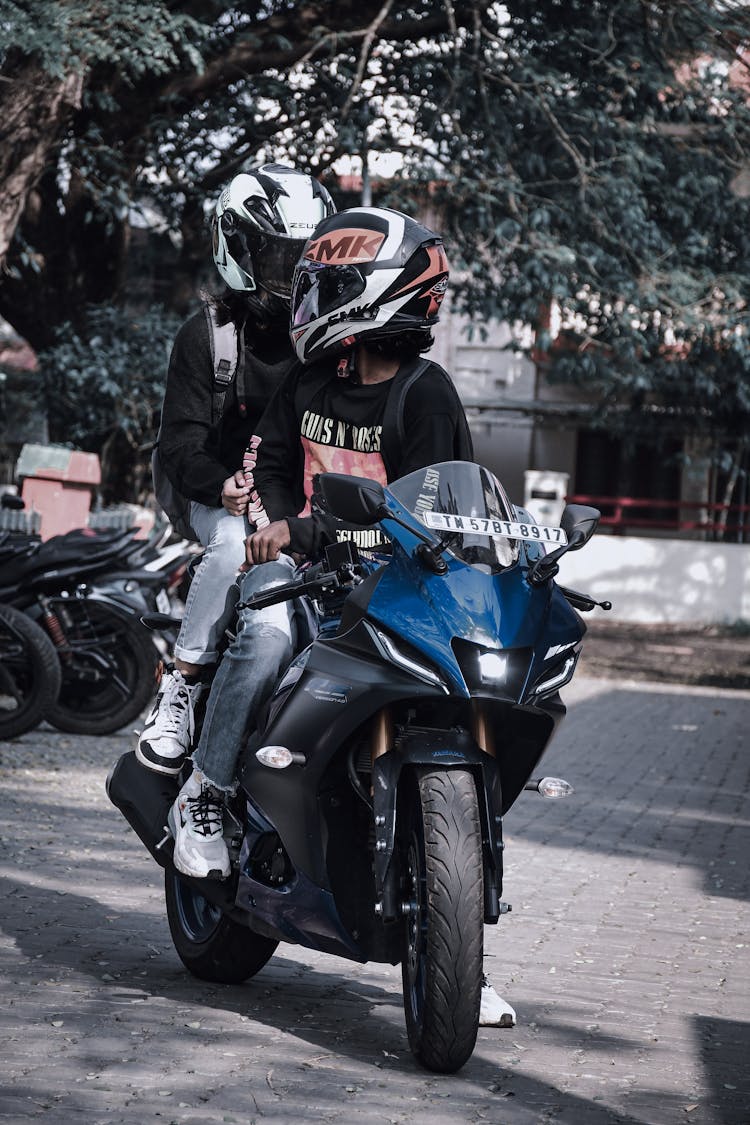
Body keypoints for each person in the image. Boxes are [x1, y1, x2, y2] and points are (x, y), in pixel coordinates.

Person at [169, 203, 517, 1029]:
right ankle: (210, 794)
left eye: (325, 283)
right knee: (261, 632)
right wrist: (284, 536)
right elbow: (276, 469)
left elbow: (441, 505)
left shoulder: (426, 396)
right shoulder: (307, 382)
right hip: (303, 574)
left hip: (394, 586)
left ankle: (459, 948)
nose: (306, 296)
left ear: (367, 297)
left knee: (465, 713)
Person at [136, 164, 335, 777]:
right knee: (230, 542)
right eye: (277, 256)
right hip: (214, 493)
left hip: (295, 505)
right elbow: (179, 446)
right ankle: (183, 683)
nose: (291, 273)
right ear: (237, 250)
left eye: (304, 257)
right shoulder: (209, 336)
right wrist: (223, 486)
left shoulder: (329, 341)